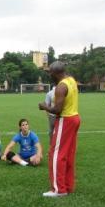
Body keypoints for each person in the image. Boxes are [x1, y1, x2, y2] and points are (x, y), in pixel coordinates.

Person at [39, 61, 81, 197]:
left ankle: (58, 190)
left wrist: (44, 106)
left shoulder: (60, 87)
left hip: (65, 120)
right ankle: (68, 186)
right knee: (68, 154)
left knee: (56, 154)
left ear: (56, 73)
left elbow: (57, 110)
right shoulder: (71, 80)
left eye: (50, 73)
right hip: (74, 118)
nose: (49, 75)